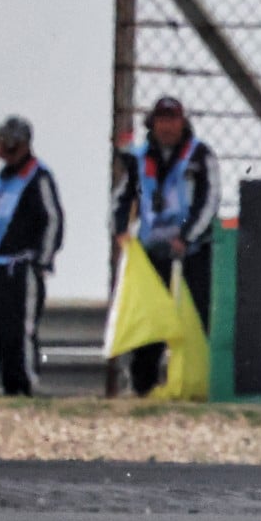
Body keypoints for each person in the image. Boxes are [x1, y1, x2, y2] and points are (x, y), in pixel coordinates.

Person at [112, 95, 219, 396]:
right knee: (150, 321)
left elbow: (208, 201)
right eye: (161, 119)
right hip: (152, 252)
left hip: (194, 251)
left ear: (182, 122)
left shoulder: (201, 156)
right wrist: (121, 230)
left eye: (173, 119)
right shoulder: (138, 158)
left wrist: (186, 237)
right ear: (152, 123)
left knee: (200, 315)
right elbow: (122, 198)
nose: (167, 126)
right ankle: (142, 387)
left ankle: (203, 385)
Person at [0, 116, 64, 397]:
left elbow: (53, 220)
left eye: (2, 140)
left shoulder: (38, 177)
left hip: (18, 270)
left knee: (18, 333)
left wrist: (40, 261)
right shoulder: (2, 178)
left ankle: (21, 387)